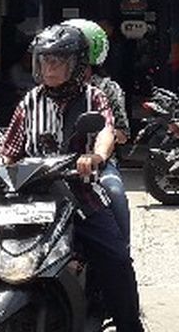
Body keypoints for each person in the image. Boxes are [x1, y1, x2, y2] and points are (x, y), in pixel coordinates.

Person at [0, 24, 145, 332]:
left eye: (58, 61)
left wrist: (95, 157)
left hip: (79, 196)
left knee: (116, 260)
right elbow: (10, 148)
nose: (50, 68)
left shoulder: (94, 98)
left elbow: (106, 132)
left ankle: (130, 325)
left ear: (77, 64)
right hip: (29, 198)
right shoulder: (29, 102)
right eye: (44, 60)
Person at [64, 18, 132, 244]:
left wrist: (100, 151)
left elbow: (121, 132)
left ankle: (122, 251)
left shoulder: (106, 89)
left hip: (98, 167)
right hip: (52, 166)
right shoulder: (41, 93)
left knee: (114, 191)